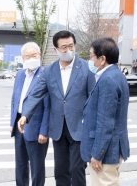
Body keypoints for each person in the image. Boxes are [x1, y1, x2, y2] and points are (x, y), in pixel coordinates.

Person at [18, 31, 95, 186]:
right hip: (58, 128)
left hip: (79, 127)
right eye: (64, 47)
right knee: (60, 171)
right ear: (56, 50)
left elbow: (93, 98)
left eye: (71, 46)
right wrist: (25, 115)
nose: (68, 50)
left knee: (77, 168)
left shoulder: (86, 68)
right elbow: (35, 95)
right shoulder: (49, 71)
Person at [81, 37, 130, 186]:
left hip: (106, 152)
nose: (90, 60)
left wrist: (97, 154)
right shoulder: (117, 75)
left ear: (102, 59)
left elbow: (105, 122)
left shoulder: (108, 79)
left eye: (91, 56)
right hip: (113, 147)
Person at [10, 42, 50, 186]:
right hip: (19, 124)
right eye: (28, 56)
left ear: (40, 55)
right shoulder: (20, 75)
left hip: (36, 127)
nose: (31, 58)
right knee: (20, 164)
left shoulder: (45, 75)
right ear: (23, 58)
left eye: (34, 55)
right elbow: (15, 99)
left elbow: (48, 106)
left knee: (37, 167)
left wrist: (44, 131)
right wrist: (12, 122)